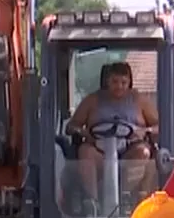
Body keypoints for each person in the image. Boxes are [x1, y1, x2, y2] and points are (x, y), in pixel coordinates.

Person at [66, 60, 158, 210]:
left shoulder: (139, 101)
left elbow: (159, 126)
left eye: (123, 82)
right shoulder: (92, 100)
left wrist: (145, 131)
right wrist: (83, 132)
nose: (119, 86)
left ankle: (125, 198)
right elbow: (72, 126)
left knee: (143, 152)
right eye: (115, 81)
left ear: (130, 82)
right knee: (85, 151)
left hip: (129, 151)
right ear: (107, 81)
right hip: (99, 152)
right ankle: (92, 202)